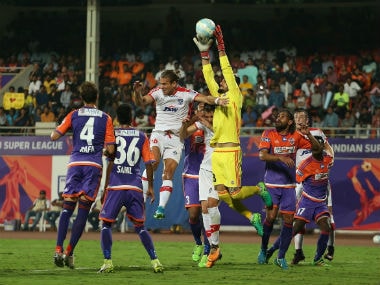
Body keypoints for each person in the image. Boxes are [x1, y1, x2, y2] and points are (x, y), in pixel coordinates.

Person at [193, 24, 273, 267]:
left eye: (225, 81)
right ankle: (217, 248)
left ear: (233, 85)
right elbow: (209, 76)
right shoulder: (218, 98)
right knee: (220, 197)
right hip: (216, 152)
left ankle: (259, 189)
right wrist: (204, 54)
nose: (221, 82)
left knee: (235, 193)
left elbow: (225, 69)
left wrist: (221, 45)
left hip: (231, 151)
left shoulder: (235, 96)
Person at [133, 70, 228, 219]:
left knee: (168, 173)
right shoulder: (157, 92)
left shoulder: (186, 93)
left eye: (165, 84)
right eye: (161, 83)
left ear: (174, 83)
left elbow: (205, 98)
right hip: (159, 133)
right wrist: (137, 93)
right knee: (153, 163)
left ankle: (160, 208)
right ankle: (141, 202)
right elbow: (141, 102)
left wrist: (217, 101)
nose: (162, 86)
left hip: (176, 138)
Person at [51, 81, 116, 269]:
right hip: (93, 166)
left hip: (75, 164)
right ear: (96, 97)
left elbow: (54, 136)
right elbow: (111, 148)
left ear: (82, 97)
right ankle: (69, 252)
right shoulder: (106, 117)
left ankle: (57, 249)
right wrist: (106, 151)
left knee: (67, 207)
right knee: (83, 210)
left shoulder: (74, 114)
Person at [98, 103, 163, 274]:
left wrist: (105, 187)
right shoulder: (142, 135)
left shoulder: (112, 135)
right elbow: (149, 163)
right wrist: (150, 187)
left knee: (105, 225)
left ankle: (107, 261)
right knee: (140, 227)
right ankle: (155, 261)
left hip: (116, 186)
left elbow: (110, 162)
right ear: (132, 117)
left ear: (117, 118)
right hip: (134, 187)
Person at [257, 108, 320, 270]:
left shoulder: (297, 137)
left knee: (288, 221)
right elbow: (262, 155)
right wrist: (280, 157)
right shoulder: (268, 133)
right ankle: (263, 249)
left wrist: (309, 135)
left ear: (290, 121)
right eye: (277, 116)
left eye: (282, 117)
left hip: (289, 186)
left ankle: (281, 257)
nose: (278, 119)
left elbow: (317, 150)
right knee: (270, 218)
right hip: (271, 184)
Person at [292, 109, 336, 264]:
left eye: (301, 116)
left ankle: (330, 247)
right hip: (301, 182)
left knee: (328, 214)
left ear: (308, 120)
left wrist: (330, 160)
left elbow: (328, 148)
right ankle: (298, 251)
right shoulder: (291, 136)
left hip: (319, 179)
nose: (298, 119)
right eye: (296, 116)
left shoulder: (317, 132)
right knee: (298, 217)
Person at [180, 103, 214, 268]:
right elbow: (182, 135)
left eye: (207, 112)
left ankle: (208, 249)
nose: (204, 114)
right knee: (193, 215)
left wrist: (203, 120)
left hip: (209, 174)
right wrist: (187, 122)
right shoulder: (196, 126)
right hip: (191, 175)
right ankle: (198, 243)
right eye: (201, 111)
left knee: (206, 213)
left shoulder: (215, 127)